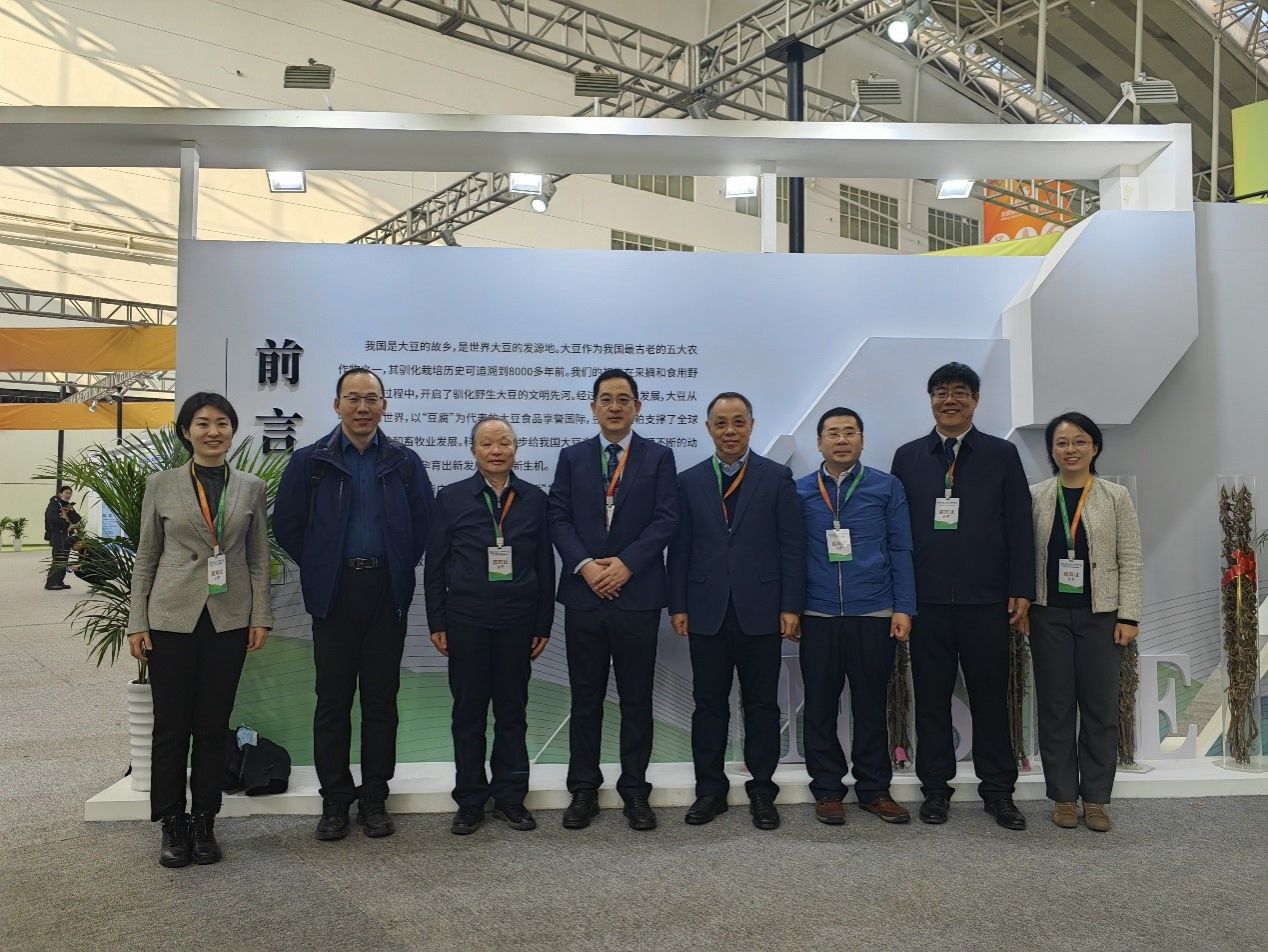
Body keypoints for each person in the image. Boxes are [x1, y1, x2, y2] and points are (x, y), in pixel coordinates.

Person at [274, 367, 433, 842]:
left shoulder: (404, 462)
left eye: (371, 399)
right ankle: (335, 799)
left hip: (386, 592)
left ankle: (375, 797)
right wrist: (322, 565)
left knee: (381, 701)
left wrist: (397, 564)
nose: (363, 407)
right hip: (335, 594)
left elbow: (423, 524)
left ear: (384, 405)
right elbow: (287, 525)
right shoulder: (311, 462)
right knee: (333, 701)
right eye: (353, 398)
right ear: (336, 404)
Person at [126, 392, 272, 868]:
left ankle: (205, 819)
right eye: (203, 423)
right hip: (171, 618)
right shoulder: (161, 484)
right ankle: (172, 822)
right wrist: (137, 621)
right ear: (186, 431)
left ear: (232, 430)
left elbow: (258, 557)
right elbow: (147, 555)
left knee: (212, 725)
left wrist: (260, 615)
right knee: (171, 727)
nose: (213, 431)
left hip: (228, 619)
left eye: (222, 423)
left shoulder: (250, 487)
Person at [890, 362, 1034, 830]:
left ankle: (999, 792)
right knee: (931, 699)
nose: (949, 400)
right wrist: (901, 597)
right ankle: (935, 791)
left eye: (959, 392)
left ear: (975, 400)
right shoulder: (908, 457)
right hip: (926, 602)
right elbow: (896, 533)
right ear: (930, 400)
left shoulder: (1001, 454)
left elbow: (1019, 524)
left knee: (991, 698)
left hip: (986, 601)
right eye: (940, 392)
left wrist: (1021, 588)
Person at [548, 369, 678, 831]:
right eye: (606, 399)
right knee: (585, 698)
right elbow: (558, 518)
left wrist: (626, 564)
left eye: (624, 399)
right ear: (593, 407)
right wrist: (586, 566)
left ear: (638, 407)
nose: (615, 406)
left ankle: (635, 790)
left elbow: (666, 519)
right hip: (585, 597)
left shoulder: (659, 457)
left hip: (636, 595)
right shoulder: (572, 457)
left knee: (636, 699)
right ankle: (583, 789)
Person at [667, 393, 804, 830]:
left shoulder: (776, 477)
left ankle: (762, 791)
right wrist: (678, 604)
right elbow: (680, 549)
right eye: (721, 423)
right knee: (708, 705)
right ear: (708, 428)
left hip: (761, 610)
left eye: (738, 422)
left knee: (762, 705)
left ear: (751, 425)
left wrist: (791, 605)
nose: (730, 431)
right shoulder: (688, 481)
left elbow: (792, 546)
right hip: (706, 609)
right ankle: (710, 791)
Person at [425, 417, 555, 836]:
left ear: (516, 449)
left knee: (512, 712)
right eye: (487, 443)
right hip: (466, 620)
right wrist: (437, 620)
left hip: (519, 622)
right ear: (473, 450)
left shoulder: (534, 499)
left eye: (504, 443)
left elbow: (544, 565)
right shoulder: (451, 498)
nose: (496, 450)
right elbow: (436, 563)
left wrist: (543, 622)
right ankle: (470, 801)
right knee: (468, 714)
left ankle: (511, 798)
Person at [1021, 412, 1142, 833]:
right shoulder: (1036, 496)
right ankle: (1063, 797)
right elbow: (1023, 557)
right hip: (1048, 616)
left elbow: (1131, 558)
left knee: (1100, 709)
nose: (1070, 449)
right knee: (1055, 708)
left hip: (1101, 617)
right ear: (1051, 451)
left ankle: (1095, 799)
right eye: (1061, 442)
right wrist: (1023, 607)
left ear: (1095, 447)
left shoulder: (1115, 496)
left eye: (1079, 441)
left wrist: (1129, 615)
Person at [796, 407, 916, 826]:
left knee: (870, 705)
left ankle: (874, 790)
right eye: (833, 433)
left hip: (874, 611)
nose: (841, 439)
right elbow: (790, 554)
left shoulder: (886, 486)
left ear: (862, 440)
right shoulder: (799, 490)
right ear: (819, 442)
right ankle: (827, 790)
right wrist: (790, 608)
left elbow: (901, 548)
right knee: (820, 706)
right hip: (817, 613)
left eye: (850, 432)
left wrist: (903, 607)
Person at [44, 485, 81, 590]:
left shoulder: (67, 505)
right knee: (58, 557)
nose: (68, 495)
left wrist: (71, 511)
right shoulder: (54, 504)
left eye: (70, 493)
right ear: (60, 494)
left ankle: (59, 581)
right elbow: (51, 518)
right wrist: (66, 524)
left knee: (64, 557)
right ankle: (51, 583)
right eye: (66, 493)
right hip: (57, 533)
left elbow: (76, 519)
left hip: (66, 534)